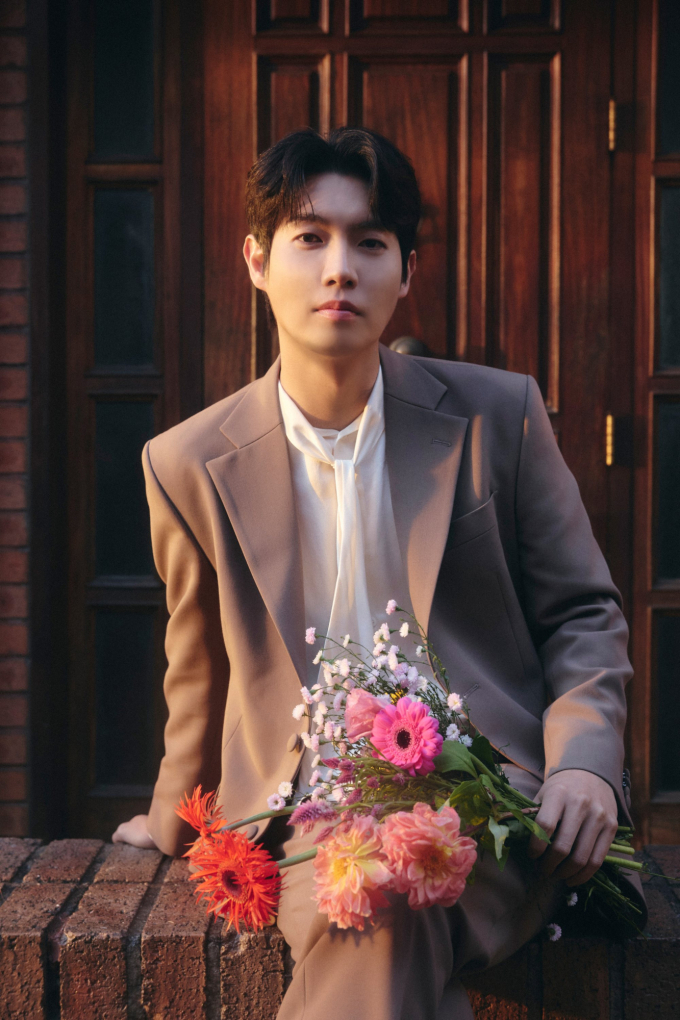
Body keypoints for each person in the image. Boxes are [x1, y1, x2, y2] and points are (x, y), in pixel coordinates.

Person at [113, 128, 641, 1019]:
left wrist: (585, 765)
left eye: (369, 242)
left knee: (383, 892)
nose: (339, 269)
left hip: (493, 805)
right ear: (256, 261)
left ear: (406, 271)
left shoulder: (498, 417)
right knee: (370, 890)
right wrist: (172, 818)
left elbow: (583, 615)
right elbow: (197, 671)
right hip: (302, 824)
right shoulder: (186, 463)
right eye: (309, 238)